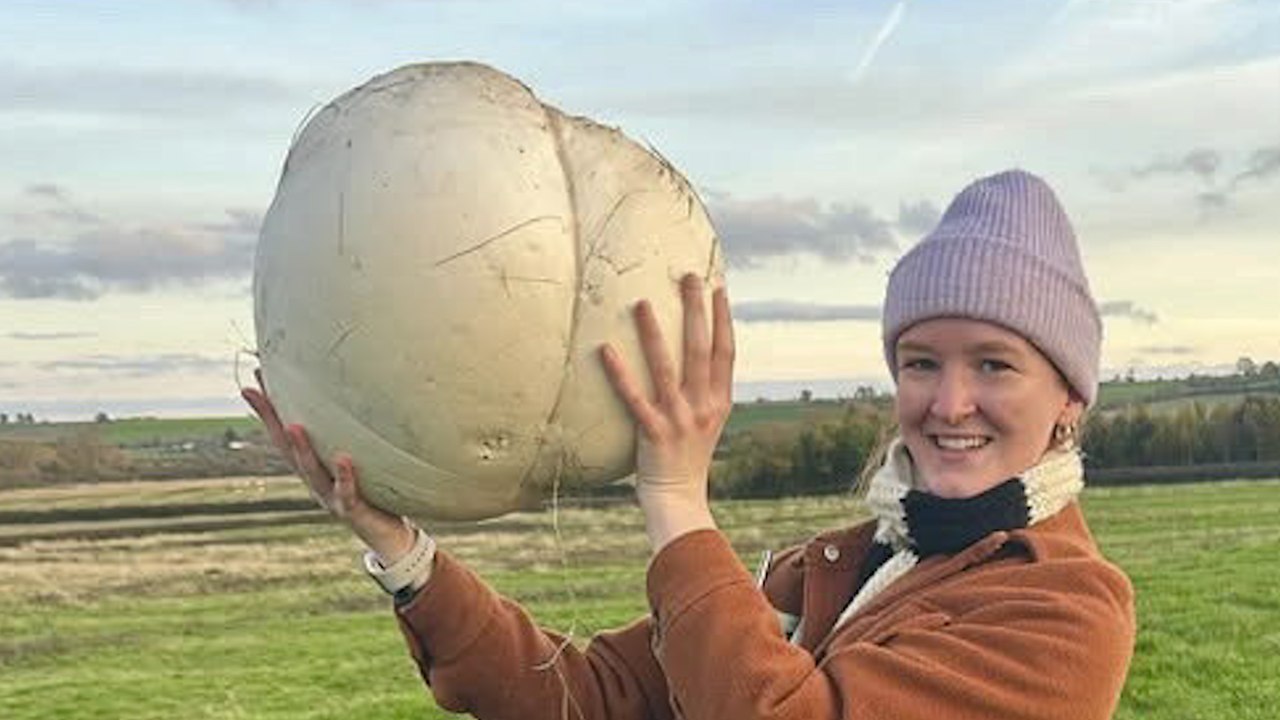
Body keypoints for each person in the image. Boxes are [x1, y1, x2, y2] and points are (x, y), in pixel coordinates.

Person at [243, 169, 1135, 720]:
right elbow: (584, 696)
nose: (950, 402)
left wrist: (675, 504)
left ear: (1068, 397)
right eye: (919, 361)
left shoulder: (1064, 611)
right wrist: (398, 544)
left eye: (995, 365)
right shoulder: (831, 567)